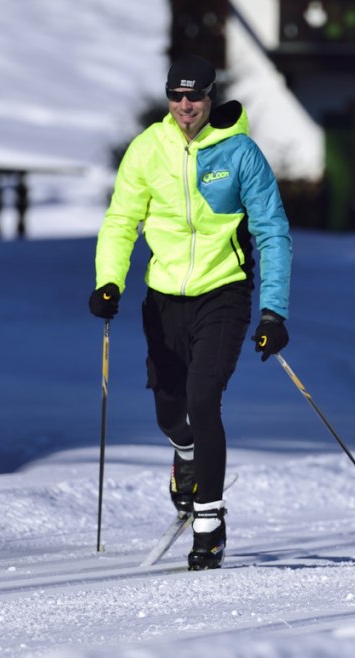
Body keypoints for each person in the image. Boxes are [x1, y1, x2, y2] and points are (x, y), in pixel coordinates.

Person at [90, 54, 293, 571]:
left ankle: (209, 521)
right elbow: (120, 221)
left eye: (195, 96)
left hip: (223, 292)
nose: (185, 106)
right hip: (163, 299)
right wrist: (109, 282)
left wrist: (274, 312)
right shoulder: (147, 150)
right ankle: (185, 456)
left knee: (204, 401)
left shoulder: (240, 152)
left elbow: (272, 232)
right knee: (169, 412)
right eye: (176, 97)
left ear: (210, 96)